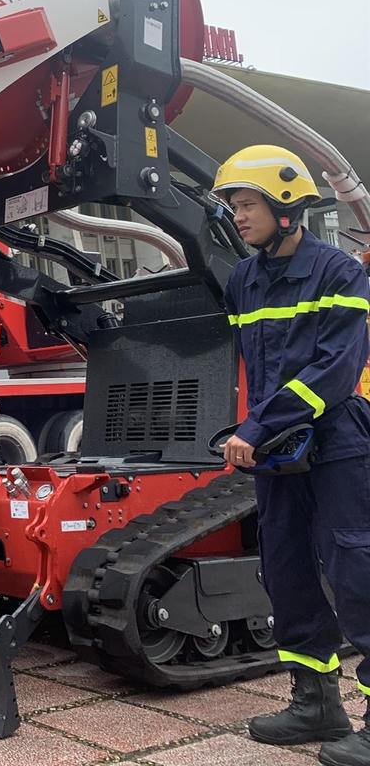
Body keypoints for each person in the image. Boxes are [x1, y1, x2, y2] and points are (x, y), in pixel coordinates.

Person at [212, 145, 370, 766]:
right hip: (276, 451)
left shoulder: (337, 272)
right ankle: (316, 703)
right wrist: (242, 425)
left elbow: (335, 371)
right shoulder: (241, 279)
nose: (237, 216)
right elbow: (249, 365)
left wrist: (258, 425)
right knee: (286, 571)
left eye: (246, 204)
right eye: (232, 205)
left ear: (286, 208)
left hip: (336, 444)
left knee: (357, 573)